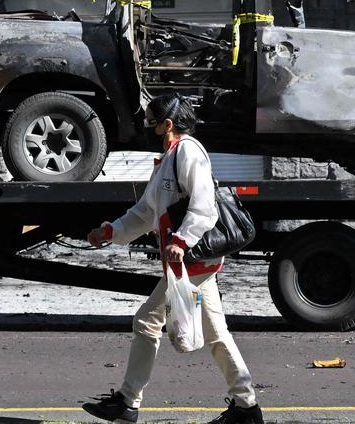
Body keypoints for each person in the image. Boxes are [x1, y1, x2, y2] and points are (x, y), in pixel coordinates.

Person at [83, 94, 263, 424]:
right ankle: (246, 407)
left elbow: (205, 206)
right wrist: (110, 231)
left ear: (167, 124)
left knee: (146, 321)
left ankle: (128, 401)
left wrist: (181, 240)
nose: (147, 128)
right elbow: (147, 212)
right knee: (216, 334)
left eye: (152, 122)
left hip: (189, 262)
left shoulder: (188, 152)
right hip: (190, 264)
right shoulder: (169, 157)